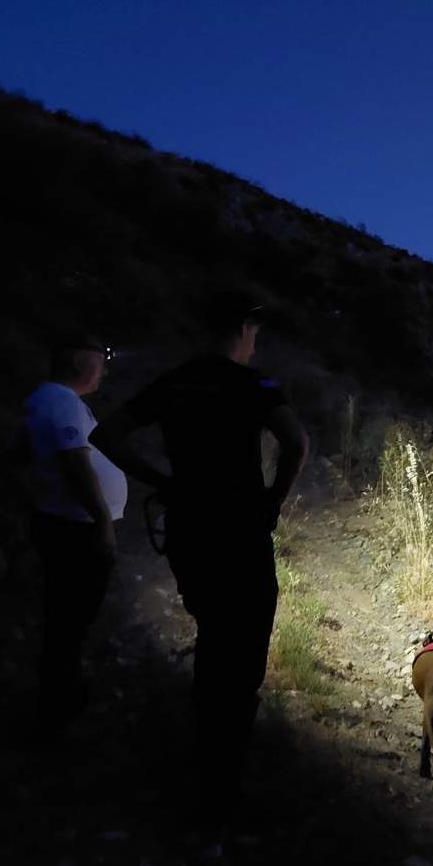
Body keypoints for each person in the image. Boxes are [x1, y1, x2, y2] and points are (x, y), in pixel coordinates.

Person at [90, 293, 308, 830]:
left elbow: (106, 434)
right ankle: (223, 784)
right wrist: (272, 502)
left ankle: (206, 754)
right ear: (240, 329)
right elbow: (296, 443)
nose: (255, 342)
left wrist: (164, 482)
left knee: (213, 634)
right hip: (240, 531)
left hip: (191, 529)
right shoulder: (253, 386)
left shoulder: (177, 381)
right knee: (245, 649)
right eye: (254, 333)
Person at [24, 333, 127, 733]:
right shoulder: (60, 401)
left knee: (68, 618)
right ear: (78, 363)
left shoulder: (50, 400)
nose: (105, 366)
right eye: (100, 359)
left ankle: (62, 696)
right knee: (70, 619)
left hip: (65, 524)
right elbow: (75, 463)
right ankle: (60, 709)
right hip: (74, 531)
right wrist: (102, 520)